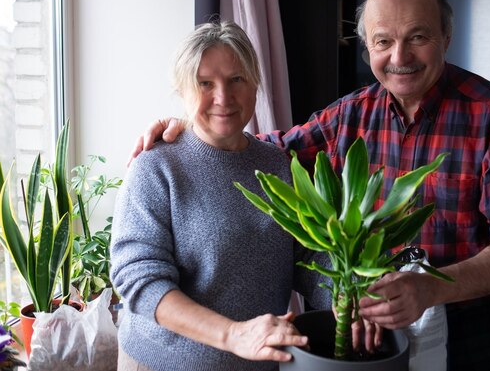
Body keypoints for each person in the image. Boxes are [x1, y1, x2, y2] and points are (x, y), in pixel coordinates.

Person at [130, 0, 490, 370]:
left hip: (471, 341)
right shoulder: (349, 115)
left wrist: (434, 288)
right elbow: (254, 152)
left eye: (418, 37)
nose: (399, 57)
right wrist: (189, 128)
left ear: (446, 37)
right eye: (383, 41)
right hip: (370, 335)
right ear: (368, 49)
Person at [111, 21, 330, 371]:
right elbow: (139, 281)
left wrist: (351, 306)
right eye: (204, 83)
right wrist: (233, 335)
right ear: (183, 91)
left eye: (236, 80)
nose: (223, 98)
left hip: (263, 362)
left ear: (255, 84)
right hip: (162, 364)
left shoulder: (280, 166)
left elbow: (312, 261)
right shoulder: (155, 167)